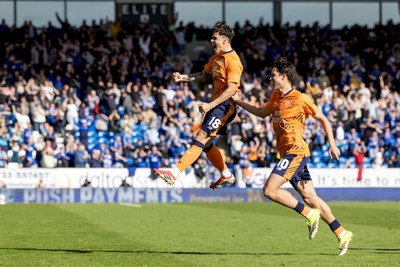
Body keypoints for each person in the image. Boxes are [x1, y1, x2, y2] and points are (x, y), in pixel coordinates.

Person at [232, 56, 353, 256]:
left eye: (274, 75)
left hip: (296, 152)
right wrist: (238, 102)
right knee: (310, 197)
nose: (271, 78)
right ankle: (342, 233)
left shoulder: (300, 98)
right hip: (289, 153)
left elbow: (324, 119)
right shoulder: (275, 98)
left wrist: (332, 144)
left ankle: (308, 213)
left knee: (269, 190)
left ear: (284, 76)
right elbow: (262, 112)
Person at [154, 23, 243, 189]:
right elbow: (203, 75)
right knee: (206, 144)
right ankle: (226, 174)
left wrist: (210, 106)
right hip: (216, 105)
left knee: (201, 137)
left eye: (214, 38)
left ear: (224, 41)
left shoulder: (233, 61)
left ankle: (173, 173)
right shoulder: (216, 58)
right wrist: (183, 78)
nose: (211, 41)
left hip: (224, 106)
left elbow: (232, 89)